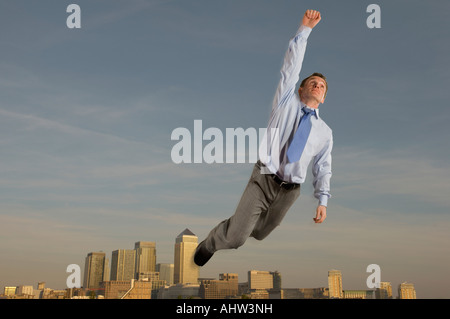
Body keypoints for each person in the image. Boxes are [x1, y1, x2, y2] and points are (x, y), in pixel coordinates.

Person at [194, 9, 333, 267]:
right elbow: (291, 67)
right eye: (313, 82)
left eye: (322, 86)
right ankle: (211, 242)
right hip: (264, 179)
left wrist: (322, 200)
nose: (317, 86)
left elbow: (323, 166)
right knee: (237, 238)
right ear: (301, 88)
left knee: (259, 233)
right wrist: (305, 30)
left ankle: (242, 224)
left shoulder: (325, 132)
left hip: (290, 192)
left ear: (324, 98)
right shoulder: (286, 102)